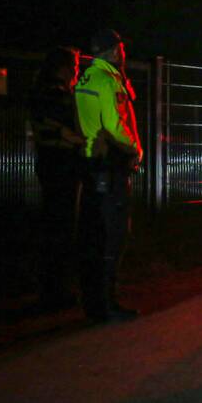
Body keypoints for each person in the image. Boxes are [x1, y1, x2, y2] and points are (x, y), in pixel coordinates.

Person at [74, 29, 142, 322]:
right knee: (113, 235)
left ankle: (94, 303)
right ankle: (107, 305)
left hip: (91, 162)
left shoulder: (85, 77)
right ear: (115, 51)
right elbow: (116, 123)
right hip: (110, 164)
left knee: (94, 235)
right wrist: (135, 148)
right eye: (121, 50)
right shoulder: (107, 80)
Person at [27, 46, 85, 311]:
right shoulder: (55, 95)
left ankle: (53, 289)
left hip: (53, 166)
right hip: (60, 168)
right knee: (61, 229)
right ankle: (56, 292)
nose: (76, 71)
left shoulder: (43, 92)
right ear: (62, 68)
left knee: (56, 227)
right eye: (73, 66)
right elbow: (69, 127)